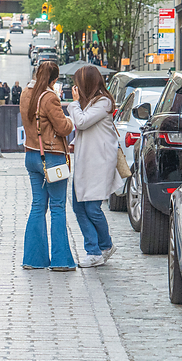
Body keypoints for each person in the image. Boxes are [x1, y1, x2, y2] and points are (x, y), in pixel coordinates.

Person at [20, 61, 76, 271]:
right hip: (52, 157)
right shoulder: (49, 97)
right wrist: (71, 120)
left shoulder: (26, 92)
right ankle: (61, 261)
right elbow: (62, 128)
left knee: (37, 205)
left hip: (31, 154)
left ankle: (33, 259)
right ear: (54, 79)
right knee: (58, 207)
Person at [67, 65, 122, 268]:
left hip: (99, 163)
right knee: (79, 206)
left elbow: (81, 122)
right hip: (86, 161)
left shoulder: (103, 102)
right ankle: (102, 247)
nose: (76, 88)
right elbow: (87, 130)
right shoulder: (92, 103)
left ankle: (97, 250)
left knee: (92, 207)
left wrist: (73, 104)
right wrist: (74, 143)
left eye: (78, 83)